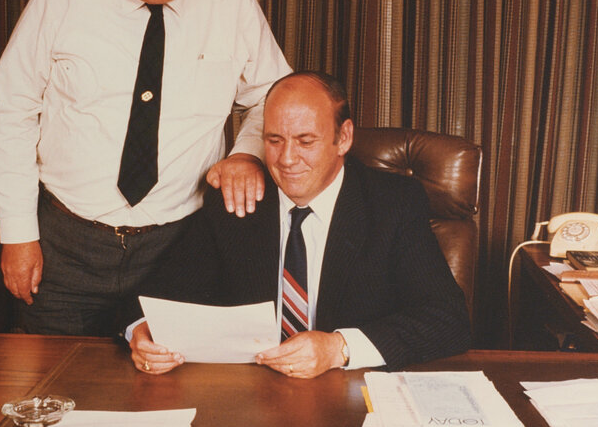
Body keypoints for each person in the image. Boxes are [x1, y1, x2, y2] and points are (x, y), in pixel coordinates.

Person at [0, 0, 291, 335]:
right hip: (64, 245)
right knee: (52, 389)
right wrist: (18, 234)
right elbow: (12, 110)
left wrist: (247, 154)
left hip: (178, 247)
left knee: (164, 395)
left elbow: (273, 93)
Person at [127, 71, 472, 377]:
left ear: (344, 138)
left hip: (350, 396)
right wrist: (143, 331)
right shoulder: (237, 200)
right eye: (274, 140)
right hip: (251, 396)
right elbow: (157, 295)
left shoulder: (391, 203)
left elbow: (447, 319)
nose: (287, 159)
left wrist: (339, 348)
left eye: (306, 141)